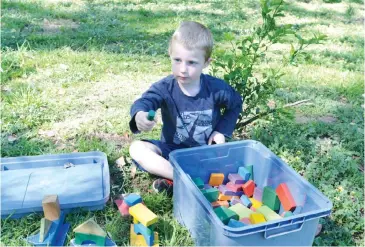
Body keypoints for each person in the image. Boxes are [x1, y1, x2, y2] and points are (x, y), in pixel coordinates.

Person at [128, 21, 243, 195]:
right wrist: (140, 115)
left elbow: (235, 103)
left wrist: (221, 131)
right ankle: (181, 177)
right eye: (177, 60)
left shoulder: (216, 89)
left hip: (205, 152)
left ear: (206, 62)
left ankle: (178, 182)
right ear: (170, 55)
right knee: (136, 148)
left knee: (228, 161)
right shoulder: (165, 88)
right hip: (172, 152)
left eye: (191, 63)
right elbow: (145, 101)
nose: (183, 69)